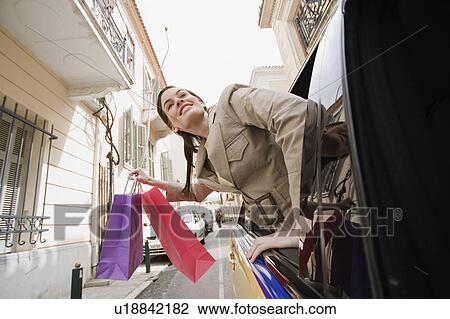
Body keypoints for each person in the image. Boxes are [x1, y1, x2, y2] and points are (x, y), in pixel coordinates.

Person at [130, 84, 349, 262]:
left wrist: (297, 222)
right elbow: (195, 194)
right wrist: (151, 181)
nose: (179, 101)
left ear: (200, 101)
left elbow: (296, 114)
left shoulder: (231, 102)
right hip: (282, 235)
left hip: (326, 211)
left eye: (183, 95)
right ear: (173, 127)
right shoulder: (204, 165)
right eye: (170, 105)